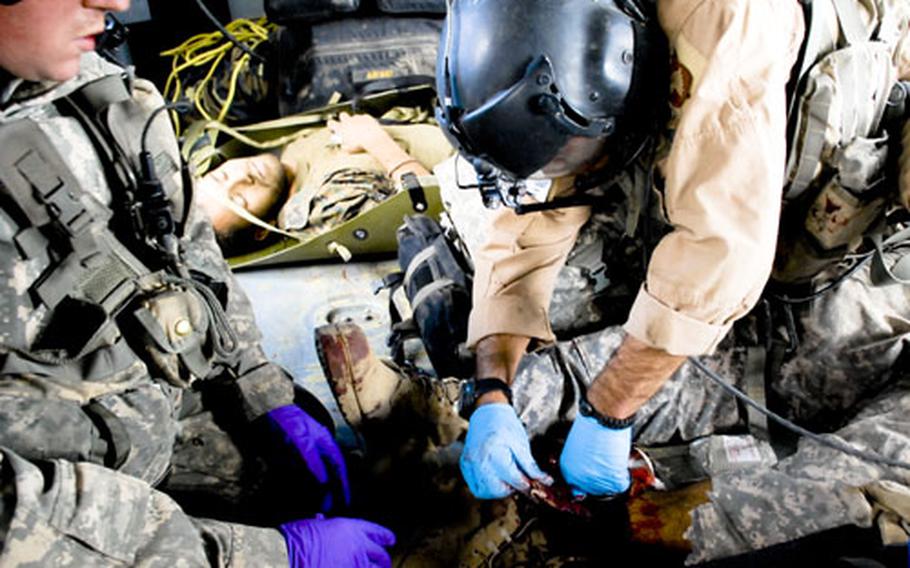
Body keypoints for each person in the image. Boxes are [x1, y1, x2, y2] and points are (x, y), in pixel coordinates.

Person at [435, 0, 910, 562]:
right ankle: (444, 431)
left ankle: (681, 525)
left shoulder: (729, 20)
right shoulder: (553, 34)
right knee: (623, 328)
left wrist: (608, 411)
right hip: (761, 205)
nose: (571, 171)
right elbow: (523, 236)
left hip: (852, 249)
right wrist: (493, 393)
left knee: (856, 432)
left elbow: (720, 251)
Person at [0, 1, 395, 565]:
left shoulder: (100, 97)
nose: (115, 2)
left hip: (147, 421)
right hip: (53, 512)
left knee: (322, 476)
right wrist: (263, 556)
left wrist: (263, 393)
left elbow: (189, 251)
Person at [195, 112, 452, 254]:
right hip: (477, 155)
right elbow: (435, 205)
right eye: (240, 199)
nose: (243, 178)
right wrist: (375, 141)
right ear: (262, 230)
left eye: (222, 176)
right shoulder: (322, 210)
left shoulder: (285, 161)